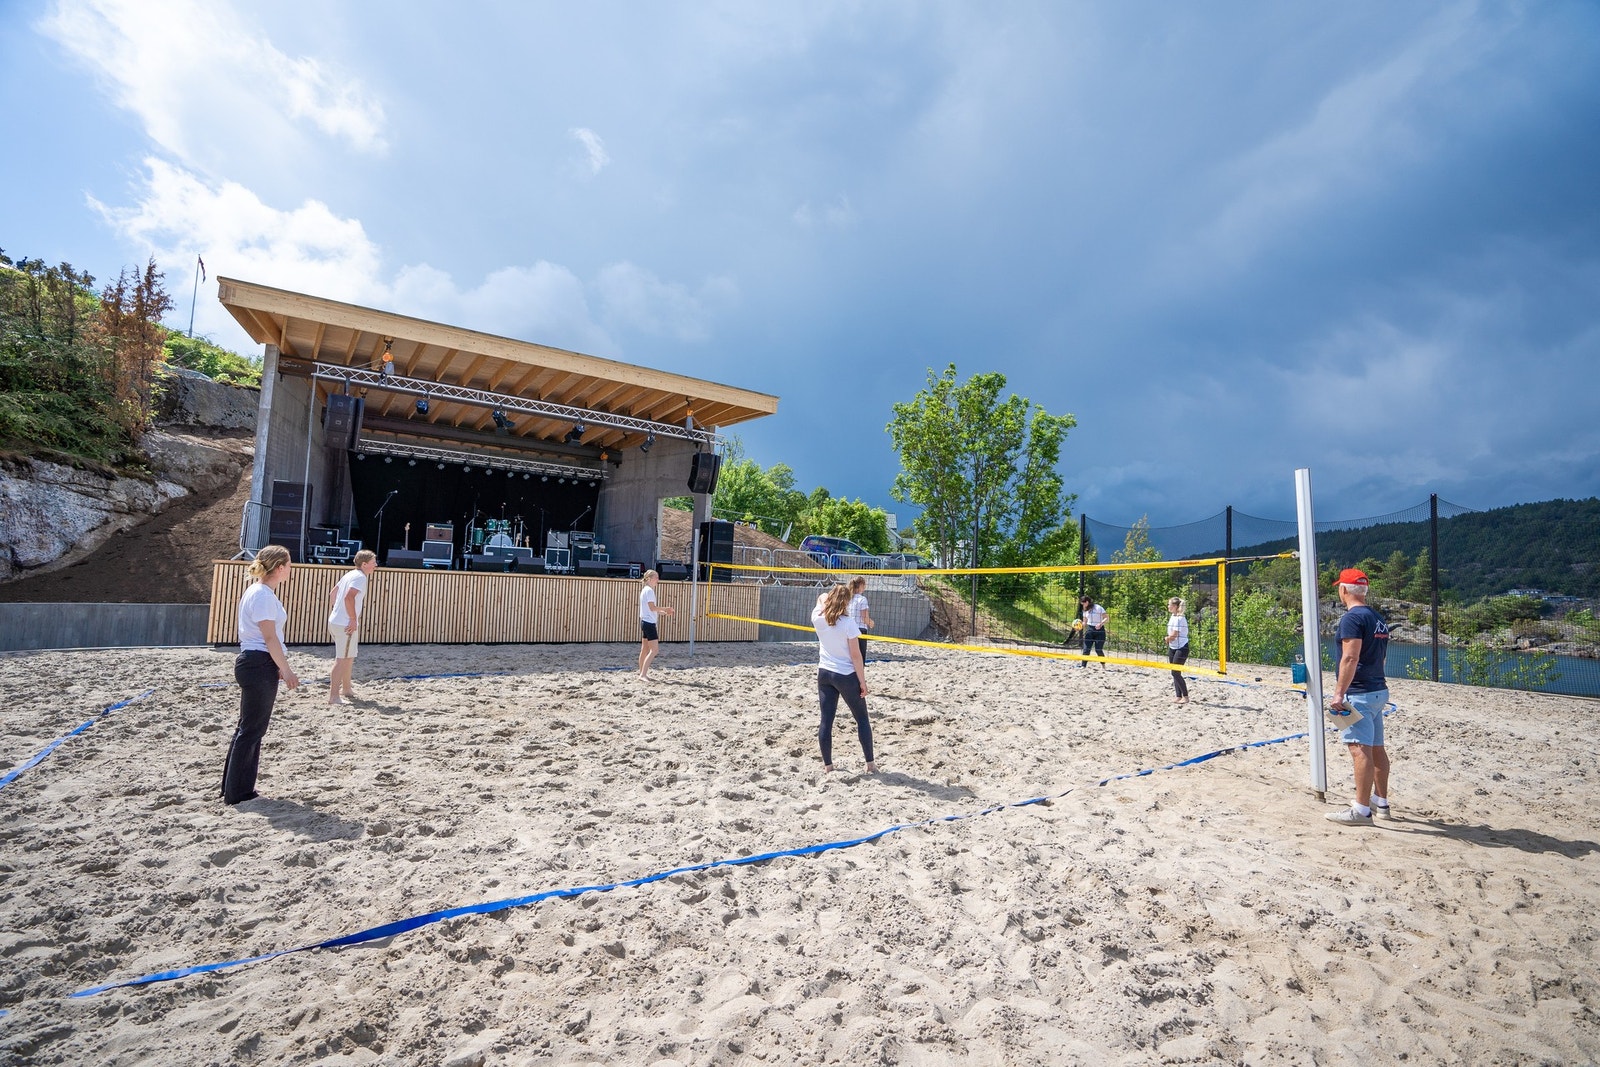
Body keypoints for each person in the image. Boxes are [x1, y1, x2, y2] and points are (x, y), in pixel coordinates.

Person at [222, 545, 300, 805]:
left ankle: (234, 788)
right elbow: (269, 638)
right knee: (252, 730)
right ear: (280, 567)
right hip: (258, 663)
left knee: (248, 728)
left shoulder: (259, 592)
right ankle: (238, 793)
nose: (291, 568)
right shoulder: (263, 595)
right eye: (289, 564)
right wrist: (285, 669)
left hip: (256, 663)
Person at [1325, 567, 1393, 826]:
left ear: (1344, 590)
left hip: (1360, 692)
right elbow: (1382, 657)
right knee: (1376, 747)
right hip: (1377, 689)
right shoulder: (1377, 617)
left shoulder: (1352, 618)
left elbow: (1350, 657)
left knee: (1359, 748)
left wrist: (1339, 693)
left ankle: (1361, 810)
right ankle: (1380, 802)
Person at [812, 583, 877, 773]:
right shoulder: (849, 623)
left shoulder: (818, 617)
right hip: (845, 675)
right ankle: (870, 764)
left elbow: (821, 596)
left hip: (824, 673)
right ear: (847, 602)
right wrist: (862, 682)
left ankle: (828, 766)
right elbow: (856, 656)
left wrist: (828, 600)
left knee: (826, 720)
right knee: (862, 719)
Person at [327, 550, 378, 705]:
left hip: (337, 621)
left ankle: (347, 689)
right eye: (373, 562)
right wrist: (352, 618)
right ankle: (334, 697)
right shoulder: (360, 577)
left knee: (349, 656)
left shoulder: (349, 574)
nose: (376, 565)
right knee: (341, 659)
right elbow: (349, 597)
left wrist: (338, 612)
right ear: (364, 564)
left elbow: (332, 594)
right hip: (345, 624)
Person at [638, 569, 676, 680]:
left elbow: (651, 609)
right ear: (649, 579)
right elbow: (652, 608)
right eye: (656, 577)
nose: (658, 580)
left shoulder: (645, 590)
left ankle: (641, 672)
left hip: (645, 622)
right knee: (654, 650)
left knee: (644, 649)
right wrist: (666, 608)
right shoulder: (649, 591)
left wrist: (664, 612)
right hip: (649, 624)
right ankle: (643, 675)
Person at [1165, 596, 1190, 703]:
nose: (1168, 606)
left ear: (1175, 606)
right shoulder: (1173, 616)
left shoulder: (1180, 619)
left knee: (1175, 672)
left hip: (1182, 648)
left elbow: (1174, 636)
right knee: (1174, 672)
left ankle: (1186, 697)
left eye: (1169, 604)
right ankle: (1178, 696)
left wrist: (1167, 639)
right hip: (1173, 647)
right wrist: (1169, 639)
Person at [847, 575, 875, 664]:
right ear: (860, 585)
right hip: (860, 630)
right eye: (864, 585)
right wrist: (871, 623)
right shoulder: (862, 599)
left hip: (849, 629)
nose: (865, 587)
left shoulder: (848, 599)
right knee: (860, 658)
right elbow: (864, 619)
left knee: (850, 656)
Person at [1078, 595, 1108, 667]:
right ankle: (1083, 666)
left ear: (1087, 602)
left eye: (1083, 604)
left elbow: (1107, 618)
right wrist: (1079, 627)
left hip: (1100, 631)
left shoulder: (1098, 608)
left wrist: (1100, 624)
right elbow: (1085, 622)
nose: (1083, 605)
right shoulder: (1085, 610)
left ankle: (1103, 664)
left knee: (1098, 649)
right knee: (1086, 649)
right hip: (1090, 630)